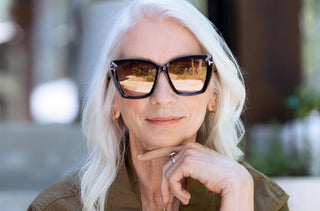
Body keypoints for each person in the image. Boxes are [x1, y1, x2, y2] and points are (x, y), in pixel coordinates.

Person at [28, 0, 289, 210]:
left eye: (186, 70)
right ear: (114, 99)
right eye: (139, 74)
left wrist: (237, 195)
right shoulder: (58, 207)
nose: (162, 97)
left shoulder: (260, 202)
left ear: (214, 95)